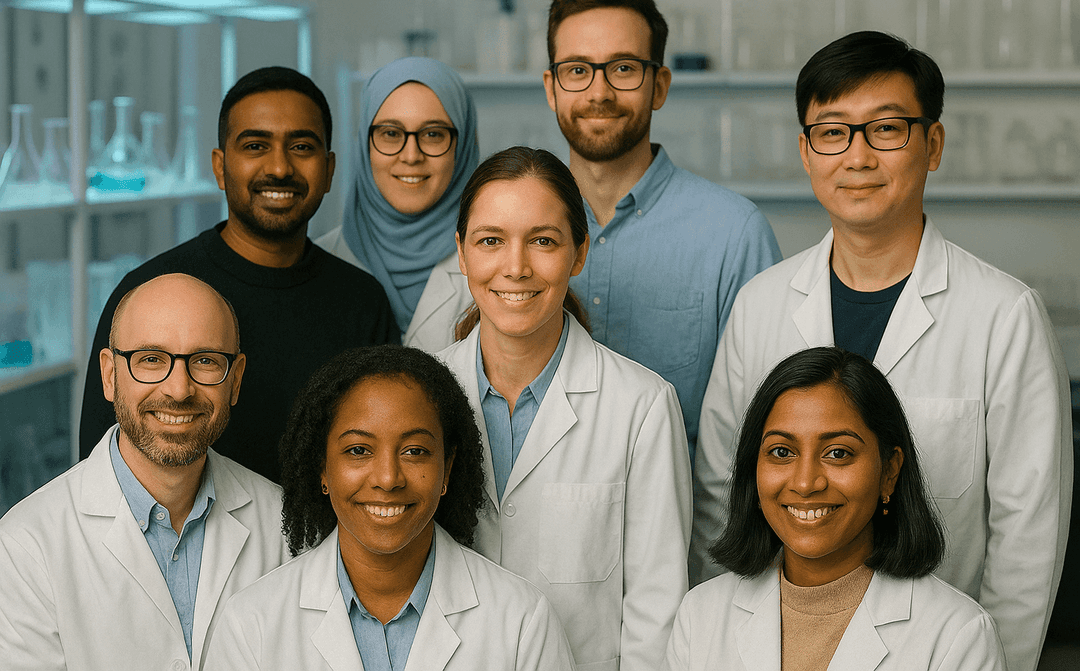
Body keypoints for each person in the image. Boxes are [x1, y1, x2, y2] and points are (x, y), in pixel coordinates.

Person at [691, 31, 1072, 671]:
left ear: (933, 144)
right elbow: (719, 494)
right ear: (806, 152)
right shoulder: (761, 305)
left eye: (887, 129)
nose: (858, 156)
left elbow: (1028, 530)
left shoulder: (1003, 314)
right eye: (832, 133)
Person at [438, 146, 692, 670]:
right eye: (491, 241)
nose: (516, 267)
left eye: (543, 241)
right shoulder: (422, 393)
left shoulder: (641, 406)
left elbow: (656, 612)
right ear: (462, 254)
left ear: (579, 253)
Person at [79, 66, 399, 483]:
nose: (280, 167)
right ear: (220, 166)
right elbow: (97, 469)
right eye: (255, 146)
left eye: (302, 146)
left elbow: (383, 452)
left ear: (329, 169)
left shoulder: (362, 301)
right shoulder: (150, 293)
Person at [204, 345, 575, 670]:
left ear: (446, 469)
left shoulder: (522, 621)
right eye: (358, 450)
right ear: (323, 468)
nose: (388, 478)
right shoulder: (251, 623)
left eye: (415, 451)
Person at [543, 0, 781, 460]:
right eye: (577, 70)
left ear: (660, 86)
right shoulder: (514, 228)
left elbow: (769, 417)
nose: (599, 92)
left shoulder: (734, 234)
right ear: (552, 87)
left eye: (624, 68)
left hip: (688, 508)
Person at [0, 273, 290, 671]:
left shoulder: (284, 525)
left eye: (205, 361)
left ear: (235, 380)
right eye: (151, 360)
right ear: (109, 375)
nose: (178, 389)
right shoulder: (24, 546)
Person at [666, 347, 1006, 670]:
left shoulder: (959, 636)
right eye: (782, 452)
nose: (805, 483)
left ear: (889, 472)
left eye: (838, 453)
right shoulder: (700, 616)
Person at [319, 57, 480, 351]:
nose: (411, 156)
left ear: (463, 145)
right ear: (365, 143)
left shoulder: (498, 267)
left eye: (433, 134)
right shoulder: (320, 261)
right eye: (391, 134)